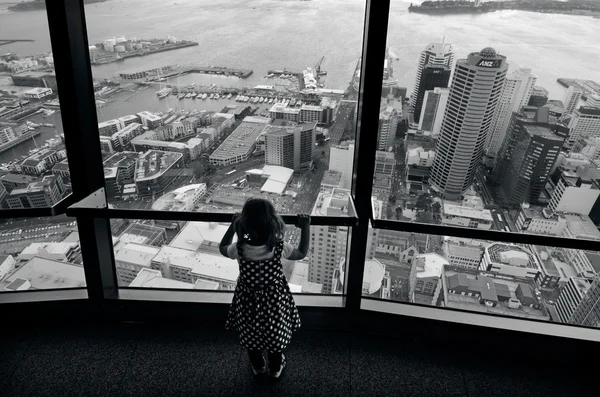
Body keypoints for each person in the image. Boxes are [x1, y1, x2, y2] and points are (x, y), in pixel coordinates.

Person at [219, 198, 310, 379]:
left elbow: (222, 247)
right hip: (274, 300)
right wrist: (305, 227)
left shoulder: (240, 248)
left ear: (243, 224)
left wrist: (232, 226)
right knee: (275, 334)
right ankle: (276, 368)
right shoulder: (279, 247)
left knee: (251, 334)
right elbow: (301, 253)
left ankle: (258, 366)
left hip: (247, 299)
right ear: (273, 223)